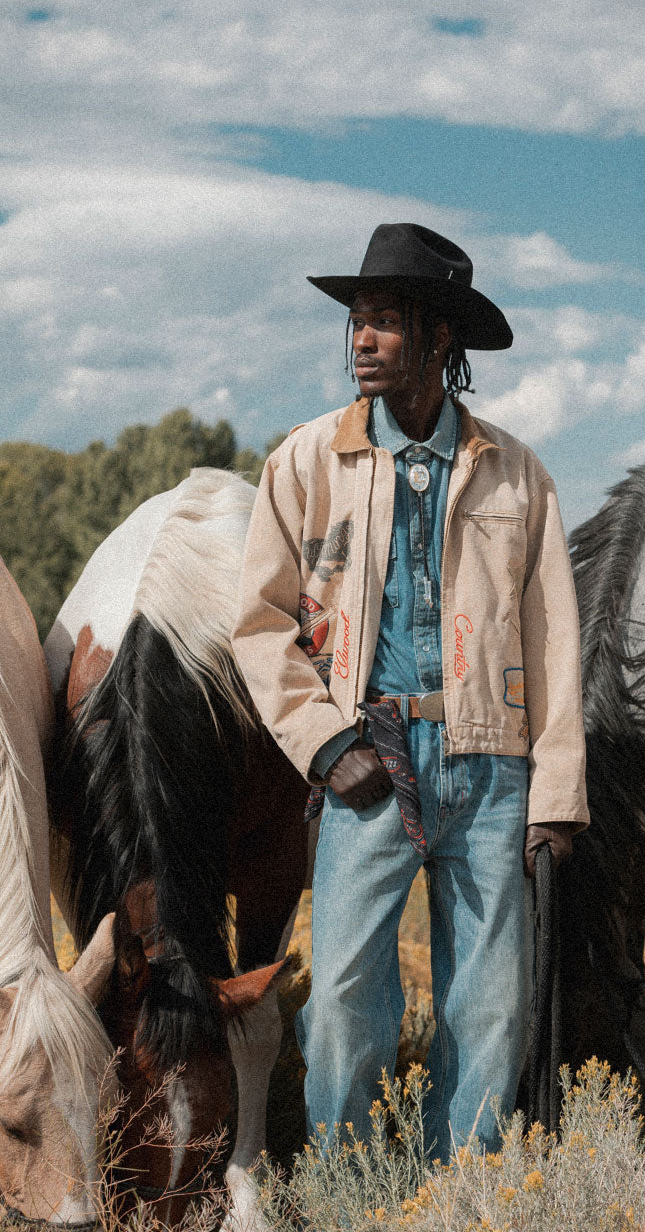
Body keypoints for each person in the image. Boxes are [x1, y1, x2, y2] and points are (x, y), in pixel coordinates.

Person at [232, 223, 588, 1160]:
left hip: (491, 764)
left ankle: (460, 1190)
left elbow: (553, 642)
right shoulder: (307, 461)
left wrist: (554, 794)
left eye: (384, 322)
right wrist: (323, 744)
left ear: (439, 341)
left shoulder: (517, 473)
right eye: (355, 322)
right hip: (367, 761)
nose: (359, 340)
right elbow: (259, 626)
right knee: (347, 991)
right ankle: (345, 1188)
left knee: (490, 996)